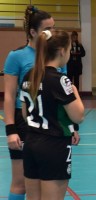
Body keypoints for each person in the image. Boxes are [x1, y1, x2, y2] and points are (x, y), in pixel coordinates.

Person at [20, 30, 84, 200]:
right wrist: (74, 90)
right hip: (54, 146)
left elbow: (26, 113)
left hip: (31, 143)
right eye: (69, 49)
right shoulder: (60, 79)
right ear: (62, 51)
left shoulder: (29, 76)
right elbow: (79, 116)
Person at [3, 6, 54, 200]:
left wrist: (71, 126)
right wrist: (11, 129)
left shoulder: (55, 55)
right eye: (47, 29)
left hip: (50, 124)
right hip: (24, 122)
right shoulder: (16, 57)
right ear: (33, 32)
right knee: (21, 183)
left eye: (53, 29)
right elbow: (9, 95)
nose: (51, 34)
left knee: (45, 182)